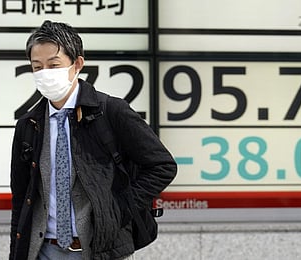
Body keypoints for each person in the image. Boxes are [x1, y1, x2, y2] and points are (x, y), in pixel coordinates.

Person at [9, 20, 177, 260]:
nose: (45, 73)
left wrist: (118, 209)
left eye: (54, 65)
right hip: (43, 251)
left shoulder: (111, 111)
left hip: (101, 250)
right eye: (37, 67)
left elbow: (162, 166)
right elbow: (21, 200)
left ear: (77, 64)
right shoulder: (29, 125)